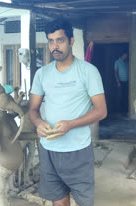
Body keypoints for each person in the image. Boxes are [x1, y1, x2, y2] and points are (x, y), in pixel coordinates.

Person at [29, 18, 107, 206]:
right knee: (58, 200)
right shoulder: (42, 74)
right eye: (51, 41)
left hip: (78, 150)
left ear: (71, 41)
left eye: (60, 40)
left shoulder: (88, 71)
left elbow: (101, 111)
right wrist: (39, 123)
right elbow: (32, 109)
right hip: (48, 149)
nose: (55, 46)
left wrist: (71, 124)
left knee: (84, 202)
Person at [114, 51, 129, 116]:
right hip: (120, 82)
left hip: (127, 81)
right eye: (125, 55)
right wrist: (118, 82)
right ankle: (120, 111)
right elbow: (115, 72)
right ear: (122, 55)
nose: (126, 56)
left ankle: (125, 111)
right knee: (120, 96)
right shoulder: (117, 62)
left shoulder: (126, 62)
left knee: (126, 96)